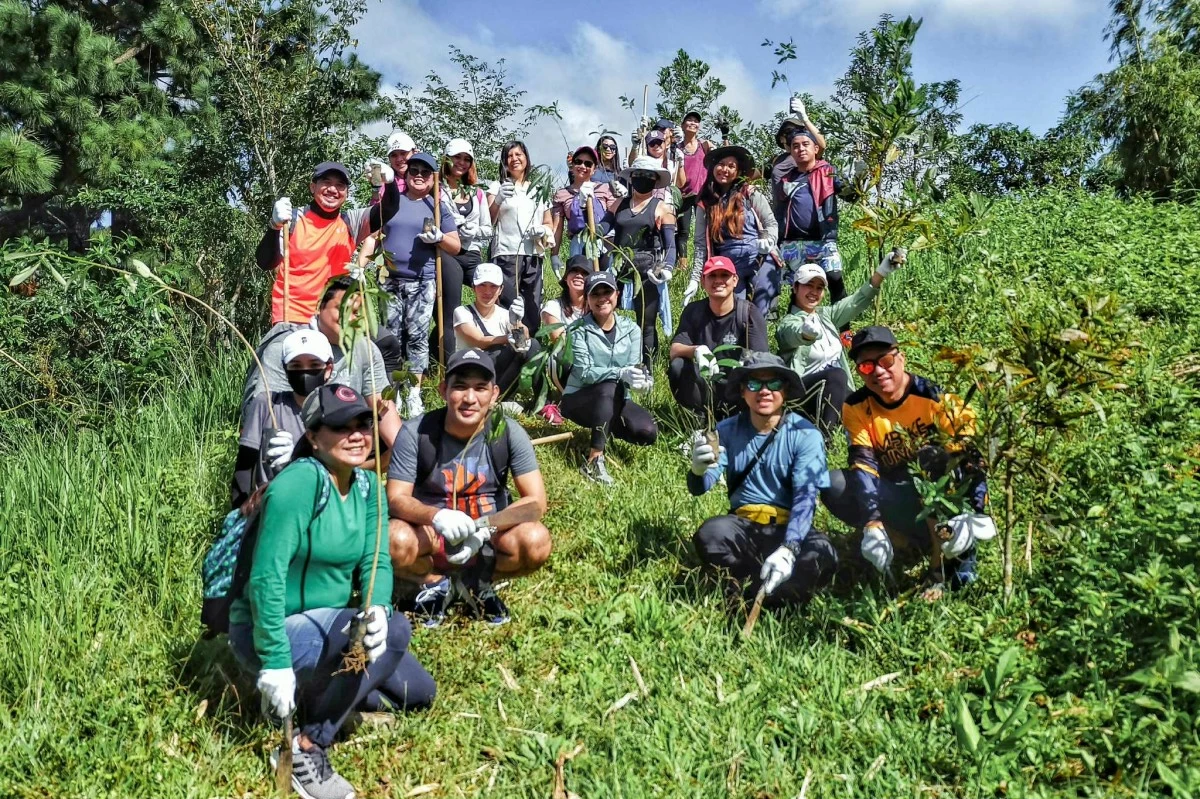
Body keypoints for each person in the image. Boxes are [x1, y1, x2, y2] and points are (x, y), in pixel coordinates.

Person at [228, 384, 435, 799]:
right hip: (268, 629)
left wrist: (375, 607)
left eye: (363, 424)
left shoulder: (367, 487)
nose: (357, 435)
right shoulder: (299, 484)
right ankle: (309, 744)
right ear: (313, 436)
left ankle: (322, 691)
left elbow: (375, 561)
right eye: (341, 426)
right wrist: (275, 661)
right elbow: (265, 577)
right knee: (396, 632)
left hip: (331, 624)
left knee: (417, 692)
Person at [820, 327, 990, 601]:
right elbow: (863, 465)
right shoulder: (855, 406)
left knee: (931, 460)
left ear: (902, 359)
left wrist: (976, 510)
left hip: (942, 498)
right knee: (832, 483)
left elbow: (970, 458)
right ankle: (907, 543)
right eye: (866, 366)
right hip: (897, 495)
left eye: (885, 361)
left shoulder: (934, 397)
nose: (878, 371)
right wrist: (872, 524)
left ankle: (943, 566)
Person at [387, 348, 552, 627]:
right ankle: (433, 583)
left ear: (495, 393)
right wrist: (436, 516)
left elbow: (536, 503)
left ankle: (479, 584)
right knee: (392, 540)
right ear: (443, 390)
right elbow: (396, 498)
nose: (470, 398)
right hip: (432, 537)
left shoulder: (508, 432)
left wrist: (484, 527)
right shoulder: (416, 432)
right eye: (460, 387)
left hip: (485, 544)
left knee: (536, 541)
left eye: (480, 388)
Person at [689, 352, 837, 607]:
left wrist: (789, 548)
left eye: (774, 383)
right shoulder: (726, 430)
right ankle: (748, 585)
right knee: (711, 534)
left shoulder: (806, 434)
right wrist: (697, 470)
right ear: (743, 391)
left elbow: (805, 499)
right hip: (744, 526)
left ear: (786, 390)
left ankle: (775, 592)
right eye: (754, 384)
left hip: (789, 527)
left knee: (822, 555)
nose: (765, 391)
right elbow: (700, 487)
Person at [357, 151, 460, 417]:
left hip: (422, 282)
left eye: (425, 172)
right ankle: (393, 391)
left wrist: (439, 238)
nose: (418, 175)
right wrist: (359, 266)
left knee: (416, 338)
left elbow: (456, 244)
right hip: (389, 281)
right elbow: (373, 236)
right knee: (391, 338)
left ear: (432, 178)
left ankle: (413, 393)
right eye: (414, 170)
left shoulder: (437, 206)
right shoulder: (392, 202)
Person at [242, 278, 401, 450]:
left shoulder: (366, 350)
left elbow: (383, 410)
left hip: (344, 440)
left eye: (356, 313)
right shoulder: (286, 347)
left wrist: (407, 458)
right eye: (342, 309)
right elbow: (263, 413)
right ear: (320, 307)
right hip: (289, 441)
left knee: (390, 448)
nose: (349, 318)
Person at [776, 251, 905, 438]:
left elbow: (857, 301)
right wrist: (805, 333)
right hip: (804, 395)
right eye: (808, 286)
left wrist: (881, 272)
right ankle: (825, 438)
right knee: (837, 375)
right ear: (795, 288)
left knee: (869, 398)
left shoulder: (825, 315)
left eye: (819, 288)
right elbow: (791, 335)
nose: (814, 292)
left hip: (835, 392)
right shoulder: (788, 322)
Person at [560, 271, 657, 485]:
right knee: (608, 388)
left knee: (647, 432)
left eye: (607, 292)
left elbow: (634, 366)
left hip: (616, 398)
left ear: (617, 295)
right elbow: (584, 372)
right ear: (587, 299)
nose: (602, 298)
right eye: (595, 294)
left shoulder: (631, 329)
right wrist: (619, 373)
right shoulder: (578, 329)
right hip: (579, 398)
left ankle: (602, 429)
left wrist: (642, 382)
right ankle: (594, 459)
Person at [256, 162, 372, 326]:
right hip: (292, 317)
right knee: (274, 351)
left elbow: (387, 210)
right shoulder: (293, 219)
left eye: (340, 185)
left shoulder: (351, 222)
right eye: (326, 182)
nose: (332, 189)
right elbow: (265, 262)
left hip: (334, 318)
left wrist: (383, 186)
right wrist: (274, 226)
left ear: (346, 193)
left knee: (386, 344)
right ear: (312, 187)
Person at [232, 329, 334, 511]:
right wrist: (238, 512)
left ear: (328, 369)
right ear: (285, 370)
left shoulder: (336, 411)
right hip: (270, 505)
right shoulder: (268, 403)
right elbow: (244, 466)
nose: (304, 371)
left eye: (313, 364)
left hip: (320, 505)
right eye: (295, 365)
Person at [669, 256, 769, 430]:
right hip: (704, 385)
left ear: (735, 280)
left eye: (724, 275)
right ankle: (697, 424)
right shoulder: (694, 311)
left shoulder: (749, 314)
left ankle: (741, 422)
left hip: (738, 391)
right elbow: (674, 349)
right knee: (678, 366)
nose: (718, 281)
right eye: (712, 276)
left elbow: (762, 363)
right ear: (703, 281)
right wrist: (696, 350)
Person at [771, 98, 852, 305]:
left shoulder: (827, 172)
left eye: (806, 144)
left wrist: (859, 180)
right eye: (795, 146)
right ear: (790, 150)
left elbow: (852, 195)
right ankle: (795, 332)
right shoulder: (786, 178)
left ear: (816, 148)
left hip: (824, 240)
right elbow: (779, 211)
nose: (800, 149)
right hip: (793, 242)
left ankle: (844, 332)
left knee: (834, 279)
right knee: (797, 289)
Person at [685, 145, 780, 316]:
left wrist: (769, 241)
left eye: (731, 166)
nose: (725, 169)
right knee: (735, 314)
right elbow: (700, 244)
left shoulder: (750, 194)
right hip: (728, 266)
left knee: (760, 311)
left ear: (738, 171)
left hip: (759, 257)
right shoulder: (704, 203)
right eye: (721, 164)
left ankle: (757, 342)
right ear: (713, 167)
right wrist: (694, 278)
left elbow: (770, 222)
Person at [431, 138, 494, 367]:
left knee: (499, 290)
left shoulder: (477, 193)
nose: (462, 163)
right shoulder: (436, 190)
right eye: (457, 157)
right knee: (451, 309)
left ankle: (496, 349)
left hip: (472, 253)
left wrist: (472, 230)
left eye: (467, 159)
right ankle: (448, 368)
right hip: (447, 253)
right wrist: (449, 228)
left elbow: (488, 229)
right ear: (447, 158)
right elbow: (429, 222)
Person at [613, 155, 677, 364]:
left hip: (648, 271)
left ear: (655, 180)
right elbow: (601, 227)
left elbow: (670, 245)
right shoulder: (618, 205)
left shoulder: (662, 208)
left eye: (648, 176)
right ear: (631, 178)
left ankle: (648, 366)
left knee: (646, 322)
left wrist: (667, 267)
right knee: (609, 316)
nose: (643, 179)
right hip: (619, 268)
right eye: (639, 175)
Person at [451, 262, 542, 406]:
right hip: (473, 373)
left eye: (493, 286)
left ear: (501, 290)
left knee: (533, 345)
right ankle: (492, 399)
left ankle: (543, 401)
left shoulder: (505, 314)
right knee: (500, 351)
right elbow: (478, 340)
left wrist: (517, 321)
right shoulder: (462, 312)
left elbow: (524, 339)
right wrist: (507, 338)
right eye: (482, 285)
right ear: (473, 287)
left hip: (500, 376)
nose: (487, 291)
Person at [489, 140, 553, 335]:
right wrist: (499, 199)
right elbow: (489, 220)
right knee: (509, 303)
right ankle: (507, 345)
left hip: (533, 254)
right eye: (510, 156)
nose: (514, 159)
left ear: (526, 157)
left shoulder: (538, 188)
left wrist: (543, 230)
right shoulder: (496, 186)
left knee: (532, 304)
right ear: (504, 162)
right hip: (506, 254)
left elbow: (549, 221)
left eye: (519, 154)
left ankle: (530, 345)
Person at [537, 254, 591, 426]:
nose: (578, 276)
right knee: (559, 355)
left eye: (584, 273)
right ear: (566, 277)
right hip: (569, 358)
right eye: (574, 271)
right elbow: (558, 339)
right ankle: (567, 397)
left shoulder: (597, 307)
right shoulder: (553, 306)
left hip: (594, 360)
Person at [550, 145, 619, 271]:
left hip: (605, 242)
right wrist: (554, 254)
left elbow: (614, 215)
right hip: (579, 243)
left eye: (588, 164)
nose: (582, 166)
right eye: (578, 162)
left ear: (594, 169)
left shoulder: (604, 189)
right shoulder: (562, 194)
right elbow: (557, 227)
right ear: (572, 165)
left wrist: (621, 198)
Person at [675, 109, 713, 270]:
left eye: (696, 121)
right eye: (689, 120)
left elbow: (720, 158)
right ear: (682, 125)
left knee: (705, 231)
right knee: (683, 231)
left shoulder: (704, 146)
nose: (693, 123)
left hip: (702, 194)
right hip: (683, 194)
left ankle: (706, 264)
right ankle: (682, 266)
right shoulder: (676, 147)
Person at [366, 131, 415, 201]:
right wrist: (375, 187)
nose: (399, 159)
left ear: (415, 152)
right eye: (394, 155)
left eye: (403, 153)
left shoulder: (427, 179)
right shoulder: (386, 184)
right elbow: (377, 209)